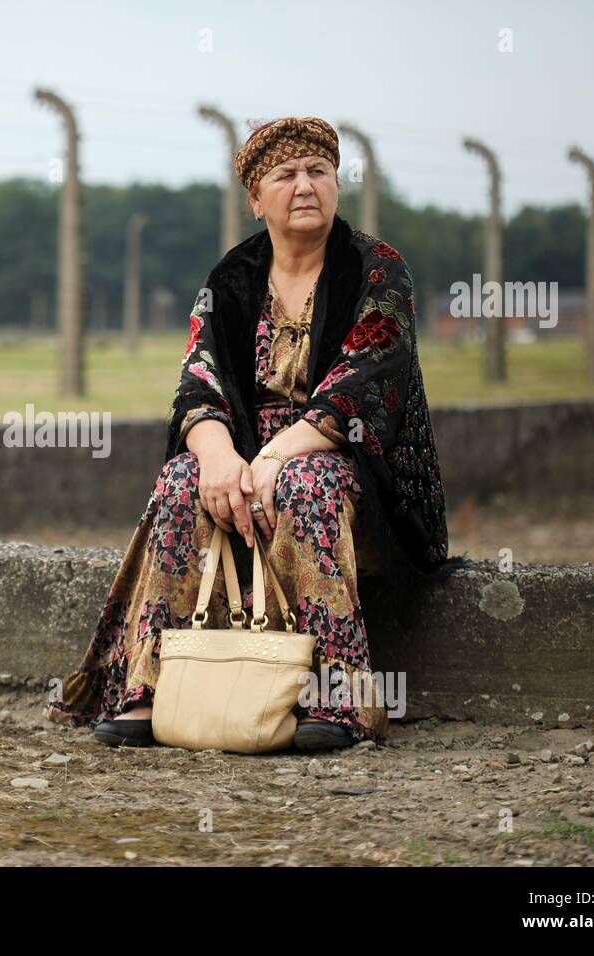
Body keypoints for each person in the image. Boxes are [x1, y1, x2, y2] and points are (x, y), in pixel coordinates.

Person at [43, 116, 459, 751]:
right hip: (244, 463)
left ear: (337, 185)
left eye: (319, 172)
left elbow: (363, 384)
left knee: (305, 483)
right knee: (181, 481)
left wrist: (273, 457)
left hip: (350, 471)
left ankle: (341, 699)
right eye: (285, 175)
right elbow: (197, 380)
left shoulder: (378, 269)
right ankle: (152, 685)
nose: (304, 186)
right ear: (254, 198)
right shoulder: (231, 278)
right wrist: (216, 456)